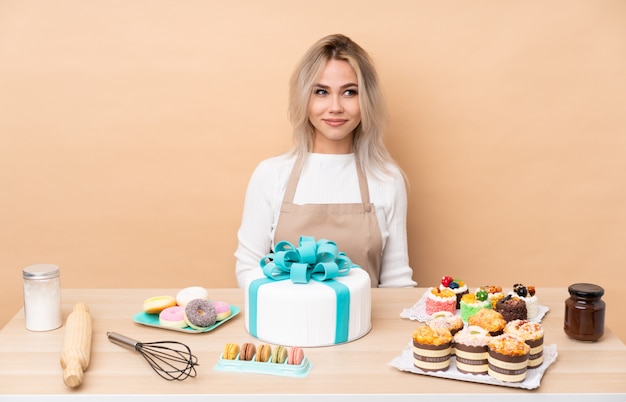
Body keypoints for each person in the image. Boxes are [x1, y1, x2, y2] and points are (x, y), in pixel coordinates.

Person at [235, 33, 416, 288]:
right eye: (321, 91)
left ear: (366, 99)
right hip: (287, 324)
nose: (335, 107)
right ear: (304, 98)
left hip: (364, 327)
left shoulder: (387, 179)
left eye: (349, 92)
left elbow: (396, 280)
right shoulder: (271, 174)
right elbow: (248, 269)